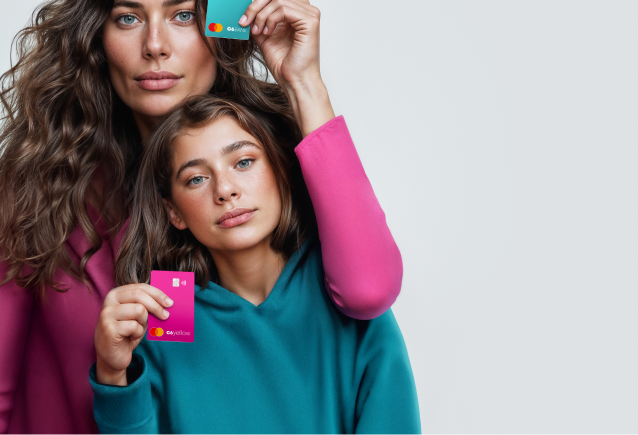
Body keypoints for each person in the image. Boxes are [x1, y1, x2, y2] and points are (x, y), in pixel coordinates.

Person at [0, 0, 404, 435]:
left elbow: (368, 292)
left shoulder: (263, 180)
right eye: (128, 17)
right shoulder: (42, 185)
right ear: (97, 38)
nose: (156, 45)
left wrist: (305, 83)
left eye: (183, 15)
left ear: (220, 27)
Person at [90, 95, 420, 434]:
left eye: (243, 162)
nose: (225, 190)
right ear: (173, 212)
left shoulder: (340, 285)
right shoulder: (170, 310)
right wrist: (113, 376)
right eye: (196, 179)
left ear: (280, 169)